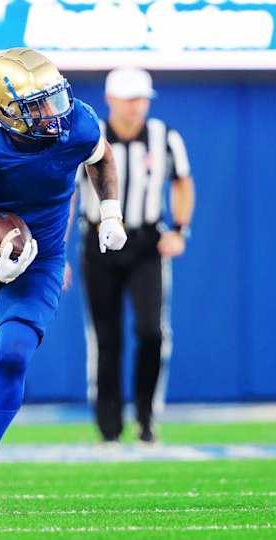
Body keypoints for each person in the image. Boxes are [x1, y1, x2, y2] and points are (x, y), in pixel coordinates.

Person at [0, 48, 127, 512]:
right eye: (36, 105)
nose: (53, 112)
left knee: (12, 356)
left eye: (54, 97)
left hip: (43, 261)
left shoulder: (78, 126)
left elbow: (101, 158)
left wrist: (110, 213)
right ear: (3, 112)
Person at [75, 67, 195, 444]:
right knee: (105, 338)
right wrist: (55, 254)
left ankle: (146, 416)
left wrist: (179, 230)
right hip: (99, 243)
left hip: (146, 243)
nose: (136, 107)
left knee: (151, 331)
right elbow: (69, 195)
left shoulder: (164, 137)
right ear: (110, 99)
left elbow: (182, 182)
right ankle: (108, 426)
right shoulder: (89, 137)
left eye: (142, 99)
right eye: (129, 99)